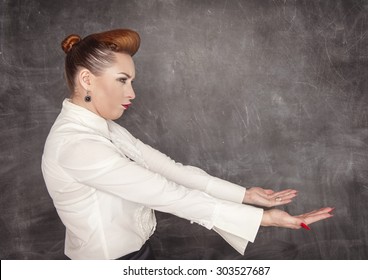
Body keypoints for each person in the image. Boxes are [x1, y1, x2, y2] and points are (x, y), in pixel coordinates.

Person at [41, 28, 333, 260]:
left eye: (131, 81)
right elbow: (168, 194)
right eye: (122, 80)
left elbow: (171, 171)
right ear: (86, 80)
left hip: (139, 258)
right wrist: (262, 219)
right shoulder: (77, 145)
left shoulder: (106, 130)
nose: (131, 93)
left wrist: (245, 195)